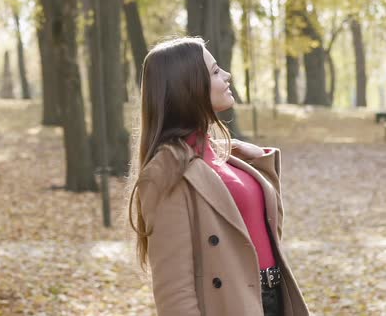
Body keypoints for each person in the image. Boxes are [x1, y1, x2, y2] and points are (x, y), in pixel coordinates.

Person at [127, 37, 309, 316]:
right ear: (186, 87)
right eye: (214, 71)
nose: (227, 75)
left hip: (275, 299)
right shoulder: (166, 171)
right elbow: (174, 291)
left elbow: (265, 231)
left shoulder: (222, 156)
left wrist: (257, 162)